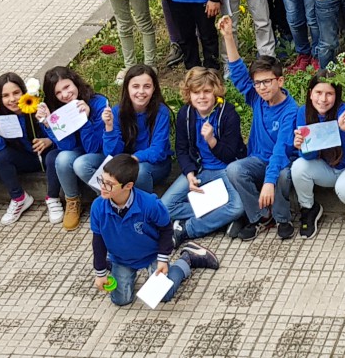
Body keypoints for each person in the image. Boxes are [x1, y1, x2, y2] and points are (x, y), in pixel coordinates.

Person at [90, 154, 219, 307]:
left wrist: (163, 258)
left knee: (163, 296)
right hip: (121, 258)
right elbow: (98, 241)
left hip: (151, 254)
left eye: (109, 184)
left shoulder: (149, 204)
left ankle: (187, 259)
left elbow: (166, 229)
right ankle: (113, 265)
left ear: (128, 186)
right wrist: (100, 272)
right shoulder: (98, 206)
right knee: (121, 300)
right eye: (101, 181)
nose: (102, 187)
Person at [220, 15, 300, 241]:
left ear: (280, 81)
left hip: (282, 160)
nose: (261, 87)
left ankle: (282, 218)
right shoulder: (256, 98)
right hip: (257, 160)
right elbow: (237, 74)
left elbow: (280, 150)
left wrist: (268, 182)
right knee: (235, 169)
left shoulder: (290, 110)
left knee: (282, 176)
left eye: (267, 81)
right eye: (257, 83)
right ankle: (260, 217)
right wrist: (228, 37)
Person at [161, 68, 247, 245]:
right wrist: (190, 174)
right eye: (196, 92)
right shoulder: (185, 114)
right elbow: (182, 149)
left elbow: (230, 156)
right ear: (189, 94)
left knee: (237, 206)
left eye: (207, 91)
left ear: (215, 92)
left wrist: (212, 140)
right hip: (199, 170)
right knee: (165, 207)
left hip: (225, 170)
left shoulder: (228, 114)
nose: (202, 97)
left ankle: (186, 229)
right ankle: (219, 219)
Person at [289, 73, 345, 240]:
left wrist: (342, 128)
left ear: (337, 95)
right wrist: (302, 146)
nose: (323, 99)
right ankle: (309, 209)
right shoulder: (303, 112)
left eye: (329, 93)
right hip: (327, 168)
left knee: (344, 188)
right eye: (318, 92)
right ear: (310, 93)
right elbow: (309, 157)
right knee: (298, 166)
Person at [35, 66, 109, 230]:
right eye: (58, 93)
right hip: (77, 151)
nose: (65, 95)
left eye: (67, 87)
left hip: (99, 153)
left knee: (80, 163)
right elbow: (66, 146)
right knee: (62, 158)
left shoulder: (98, 102)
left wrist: (86, 118)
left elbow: (93, 147)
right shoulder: (59, 108)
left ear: (75, 82)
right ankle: (72, 201)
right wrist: (49, 123)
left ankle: (109, 198)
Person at [0, 73, 46, 226]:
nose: (12, 99)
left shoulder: (36, 108)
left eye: (16, 93)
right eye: (5, 95)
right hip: (23, 159)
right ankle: (19, 198)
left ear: (24, 92)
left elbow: (57, 136)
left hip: (44, 157)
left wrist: (48, 140)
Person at [101, 66, 173, 191]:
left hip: (155, 165)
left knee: (140, 171)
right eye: (135, 86)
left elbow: (158, 151)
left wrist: (132, 159)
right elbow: (111, 153)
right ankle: (115, 202)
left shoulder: (161, 112)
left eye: (147, 86)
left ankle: (144, 206)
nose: (141, 91)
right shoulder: (117, 112)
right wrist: (109, 127)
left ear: (154, 88)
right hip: (125, 162)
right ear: (127, 88)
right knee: (85, 165)